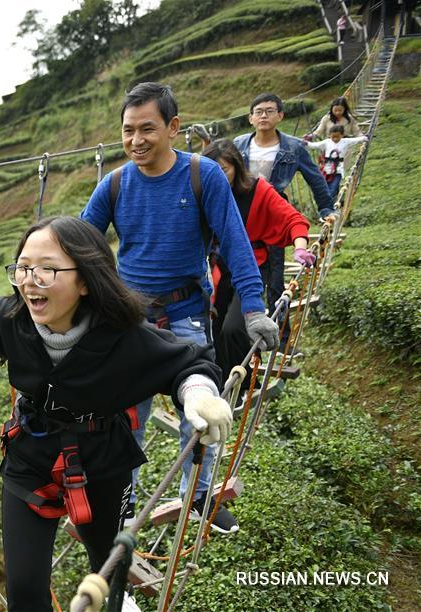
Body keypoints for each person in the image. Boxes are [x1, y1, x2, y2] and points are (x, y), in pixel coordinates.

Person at [0, 216, 231, 611]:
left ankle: (115, 600)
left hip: (103, 459)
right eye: (22, 267)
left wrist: (197, 396)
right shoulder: (10, 319)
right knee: (23, 589)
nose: (29, 280)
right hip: (31, 455)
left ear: (86, 279)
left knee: (109, 559)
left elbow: (187, 363)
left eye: (47, 269)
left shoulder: (123, 335)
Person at [80, 82, 278, 535]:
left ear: (172, 127)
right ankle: (123, 505)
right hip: (129, 321)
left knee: (202, 414)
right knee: (127, 420)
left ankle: (201, 494)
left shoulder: (202, 175)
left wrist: (253, 309)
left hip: (185, 317)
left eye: (147, 129)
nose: (136, 141)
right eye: (128, 131)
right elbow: (80, 245)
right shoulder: (114, 184)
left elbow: (235, 243)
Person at [202, 139, 315, 384]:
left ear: (237, 167)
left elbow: (292, 219)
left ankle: (242, 384)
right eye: (210, 170)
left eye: (223, 170)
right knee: (216, 330)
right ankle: (227, 383)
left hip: (252, 264)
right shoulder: (201, 193)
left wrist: (300, 248)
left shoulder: (257, 190)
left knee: (234, 328)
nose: (217, 176)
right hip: (218, 268)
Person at [234, 93, 335, 350]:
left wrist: (326, 208)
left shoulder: (293, 146)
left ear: (280, 115)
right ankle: (246, 336)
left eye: (269, 111)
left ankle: (282, 340)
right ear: (250, 118)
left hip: (275, 213)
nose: (263, 116)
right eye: (258, 111)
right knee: (246, 276)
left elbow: (315, 178)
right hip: (242, 213)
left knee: (276, 281)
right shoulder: (238, 144)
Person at [304, 125, 368, 197]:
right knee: (325, 187)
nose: (335, 139)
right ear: (329, 135)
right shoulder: (327, 142)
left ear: (342, 135)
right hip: (326, 169)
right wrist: (306, 143)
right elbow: (315, 145)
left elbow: (356, 140)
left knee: (333, 187)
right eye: (333, 137)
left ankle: (330, 202)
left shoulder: (345, 141)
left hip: (338, 170)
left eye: (337, 136)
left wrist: (364, 138)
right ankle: (330, 200)